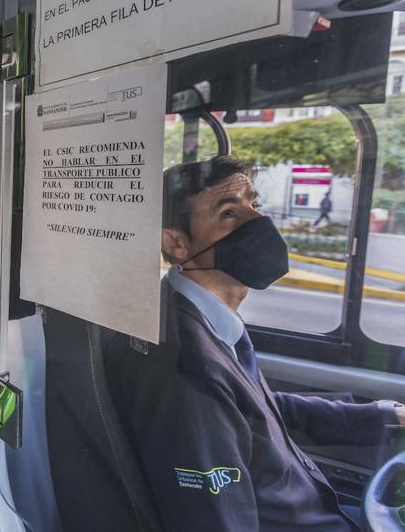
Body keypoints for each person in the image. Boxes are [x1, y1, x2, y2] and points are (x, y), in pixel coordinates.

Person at [104, 155, 404, 531]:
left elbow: (260, 413)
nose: (259, 222)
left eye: (255, 204)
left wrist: (384, 417)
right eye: (229, 213)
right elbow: (216, 520)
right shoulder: (187, 368)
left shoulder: (207, 321)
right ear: (176, 242)